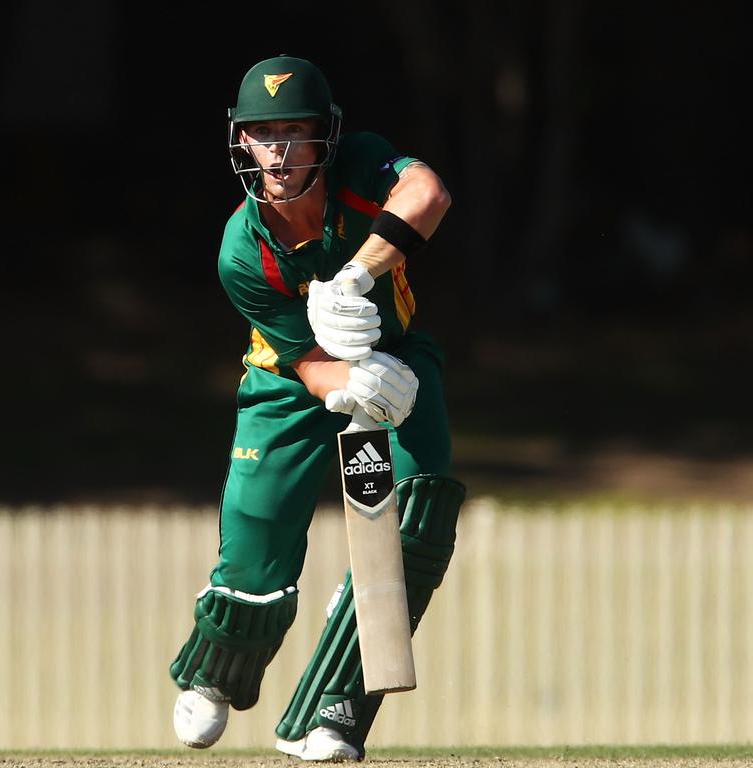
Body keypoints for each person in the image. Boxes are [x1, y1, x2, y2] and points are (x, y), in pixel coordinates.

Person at [169, 54, 466, 761]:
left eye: (294, 132)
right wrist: (346, 386)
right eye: (262, 133)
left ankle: (328, 714)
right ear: (241, 141)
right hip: (289, 382)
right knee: (257, 540)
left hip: (395, 361)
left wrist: (357, 275)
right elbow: (302, 360)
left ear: (325, 138)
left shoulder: (364, 168)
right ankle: (213, 673)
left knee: (418, 520)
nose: (278, 150)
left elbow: (428, 192)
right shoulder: (243, 250)